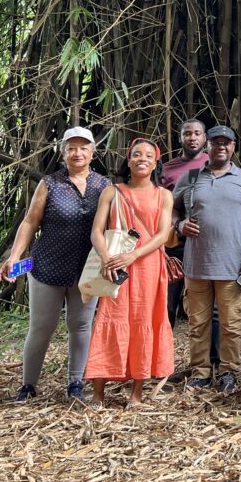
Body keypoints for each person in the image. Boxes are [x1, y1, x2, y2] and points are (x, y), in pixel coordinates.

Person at [0, 126, 111, 402]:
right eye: (71, 148)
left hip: (87, 268)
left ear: (92, 152)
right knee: (41, 326)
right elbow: (30, 222)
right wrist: (14, 257)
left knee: (81, 324)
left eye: (83, 147)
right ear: (63, 153)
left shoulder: (104, 186)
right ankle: (28, 384)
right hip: (47, 265)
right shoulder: (50, 183)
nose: (77, 153)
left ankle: (75, 383)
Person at [172, 124, 241, 393]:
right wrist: (179, 226)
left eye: (226, 142)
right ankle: (200, 370)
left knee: (231, 323)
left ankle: (229, 371)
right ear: (206, 146)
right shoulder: (189, 178)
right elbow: (172, 211)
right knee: (197, 322)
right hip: (196, 263)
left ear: (234, 147)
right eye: (215, 142)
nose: (221, 146)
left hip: (232, 264)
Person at [85, 138, 175, 407]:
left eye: (148, 155)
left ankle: (136, 394)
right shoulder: (112, 192)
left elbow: (162, 235)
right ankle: (98, 394)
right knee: (110, 318)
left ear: (156, 162)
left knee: (144, 320)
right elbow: (96, 231)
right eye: (137, 154)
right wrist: (106, 258)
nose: (142, 159)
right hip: (116, 266)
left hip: (149, 267)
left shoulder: (164, 195)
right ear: (129, 159)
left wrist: (134, 254)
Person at [159, 119, 208, 326]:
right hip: (174, 241)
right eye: (187, 133)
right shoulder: (167, 168)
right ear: (180, 137)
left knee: (202, 304)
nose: (192, 137)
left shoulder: (213, 164)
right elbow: (160, 203)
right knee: (167, 299)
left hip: (205, 243)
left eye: (197, 133)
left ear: (205, 138)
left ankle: (204, 354)